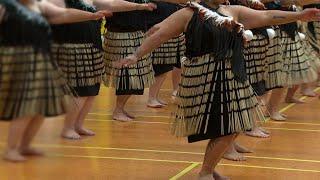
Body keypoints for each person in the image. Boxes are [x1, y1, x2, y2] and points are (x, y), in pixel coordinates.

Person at [116, 1, 320, 179]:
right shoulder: (189, 13)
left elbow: (267, 16)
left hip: (233, 73)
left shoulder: (233, 11)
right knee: (224, 127)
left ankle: (209, 169)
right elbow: (160, 35)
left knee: (236, 123)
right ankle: (205, 172)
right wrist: (136, 55)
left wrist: (300, 15)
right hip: (205, 77)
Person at [0, 0, 108, 162]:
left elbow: (63, 14)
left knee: (40, 109)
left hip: (41, 59)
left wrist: (92, 16)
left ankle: (24, 146)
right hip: (18, 60)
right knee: (25, 109)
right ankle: (11, 149)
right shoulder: (5, 6)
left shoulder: (39, 6)